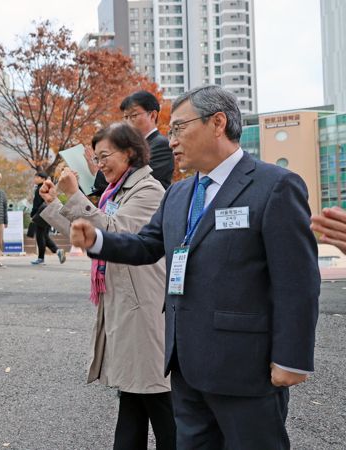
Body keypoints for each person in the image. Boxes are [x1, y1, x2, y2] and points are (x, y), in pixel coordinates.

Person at [69, 85, 319, 449]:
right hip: (184, 366)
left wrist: (292, 359)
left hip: (245, 368)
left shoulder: (274, 187)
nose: (171, 141)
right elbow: (146, 245)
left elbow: (297, 281)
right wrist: (98, 241)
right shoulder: (179, 194)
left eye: (180, 128)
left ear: (218, 123)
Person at [40, 124, 175, 449]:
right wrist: (56, 204)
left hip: (142, 307)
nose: (100, 164)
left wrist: (74, 195)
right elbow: (90, 234)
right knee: (133, 398)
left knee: (158, 402)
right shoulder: (119, 192)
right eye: (96, 157)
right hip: (125, 305)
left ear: (129, 152)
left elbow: (114, 235)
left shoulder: (148, 191)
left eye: (105, 156)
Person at [90, 90, 174, 195]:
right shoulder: (129, 147)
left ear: (152, 115)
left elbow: (131, 179)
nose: (128, 122)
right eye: (125, 117)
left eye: (133, 116)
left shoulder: (161, 145)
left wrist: (97, 172)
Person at [30, 171, 64, 265]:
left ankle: (41, 258)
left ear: (43, 179)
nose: (35, 179)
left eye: (37, 177)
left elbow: (37, 204)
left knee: (40, 237)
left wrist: (33, 215)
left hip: (41, 215)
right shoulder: (48, 188)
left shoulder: (40, 188)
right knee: (45, 236)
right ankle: (58, 251)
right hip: (49, 214)